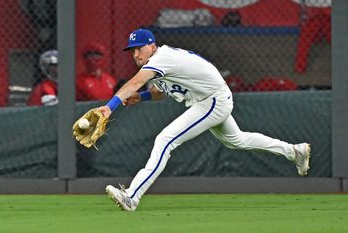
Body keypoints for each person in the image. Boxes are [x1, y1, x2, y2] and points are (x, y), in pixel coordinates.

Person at [96, 29, 310, 211]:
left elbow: (135, 82)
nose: (135, 54)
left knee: (165, 140)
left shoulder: (162, 58)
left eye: (139, 48)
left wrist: (109, 106)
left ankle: (132, 196)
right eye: (132, 50)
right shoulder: (158, 62)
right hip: (211, 99)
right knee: (237, 140)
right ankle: (294, 151)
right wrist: (141, 97)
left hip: (211, 100)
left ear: (152, 46)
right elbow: (162, 91)